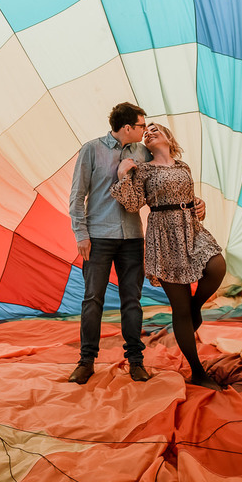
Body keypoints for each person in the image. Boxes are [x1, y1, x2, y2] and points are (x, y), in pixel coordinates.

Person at [111, 122, 227, 389]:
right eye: (147, 131)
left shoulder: (182, 166)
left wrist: (200, 204)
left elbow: (187, 196)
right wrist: (122, 175)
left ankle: (194, 309)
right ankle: (197, 372)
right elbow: (131, 204)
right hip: (164, 235)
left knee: (217, 266)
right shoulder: (144, 169)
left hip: (191, 228)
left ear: (168, 137)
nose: (150, 132)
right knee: (180, 308)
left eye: (156, 129)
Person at [67, 102, 152, 385]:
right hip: (99, 237)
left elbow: (161, 182)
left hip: (132, 238)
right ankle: (86, 361)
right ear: (127, 127)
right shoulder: (91, 150)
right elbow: (77, 196)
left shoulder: (143, 152)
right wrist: (81, 234)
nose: (145, 129)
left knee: (133, 301)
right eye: (141, 125)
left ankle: (136, 361)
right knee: (93, 300)